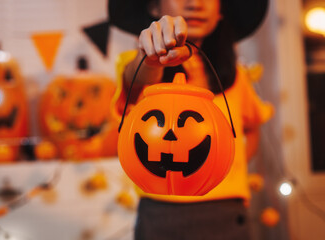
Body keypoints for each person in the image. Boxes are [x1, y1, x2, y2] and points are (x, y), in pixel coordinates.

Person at [109, 0, 274, 239]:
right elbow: (136, 84)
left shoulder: (236, 76)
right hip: (161, 212)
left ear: (221, 12)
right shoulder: (137, 66)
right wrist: (150, 59)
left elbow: (250, 127)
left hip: (226, 212)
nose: (195, 3)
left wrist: (224, 165)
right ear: (154, 7)